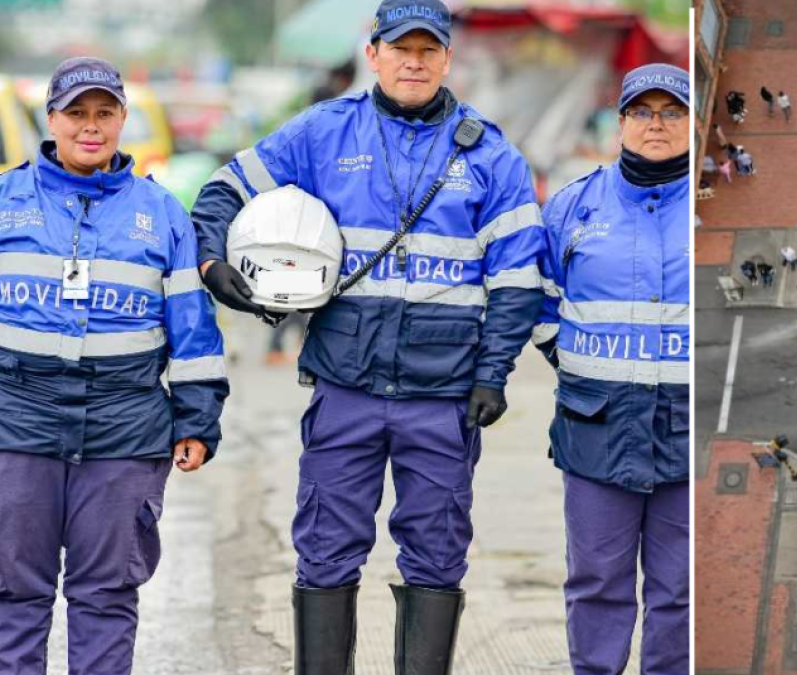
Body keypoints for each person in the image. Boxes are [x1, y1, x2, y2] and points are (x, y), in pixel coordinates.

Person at [189, 1, 545, 671]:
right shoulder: (322, 132)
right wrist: (213, 264)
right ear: (372, 52)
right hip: (344, 384)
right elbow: (221, 192)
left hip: (443, 397)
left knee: (437, 553)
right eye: (399, 47)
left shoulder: (491, 154)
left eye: (428, 49)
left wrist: (493, 373)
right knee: (324, 546)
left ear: (447, 58)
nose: (414, 60)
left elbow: (519, 276)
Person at [0, 56, 228, 675]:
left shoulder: (161, 213)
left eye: (104, 113)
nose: (91, 127)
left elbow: (193, 327)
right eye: (76, 113)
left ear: (122, 121)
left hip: (125, 425)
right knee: (12, 593)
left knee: (108, 596)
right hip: (11, 419)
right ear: (51, 119)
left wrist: (197, 419)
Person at [534, 63, 690, 675]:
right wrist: (573, 363)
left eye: (672, 112)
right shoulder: (573, 206)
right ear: (620, 123)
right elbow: (539, 300)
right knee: (597, 580)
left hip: (682, 428)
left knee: (678, 590)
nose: (657, 124)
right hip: (596, 427)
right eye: (643, 113)